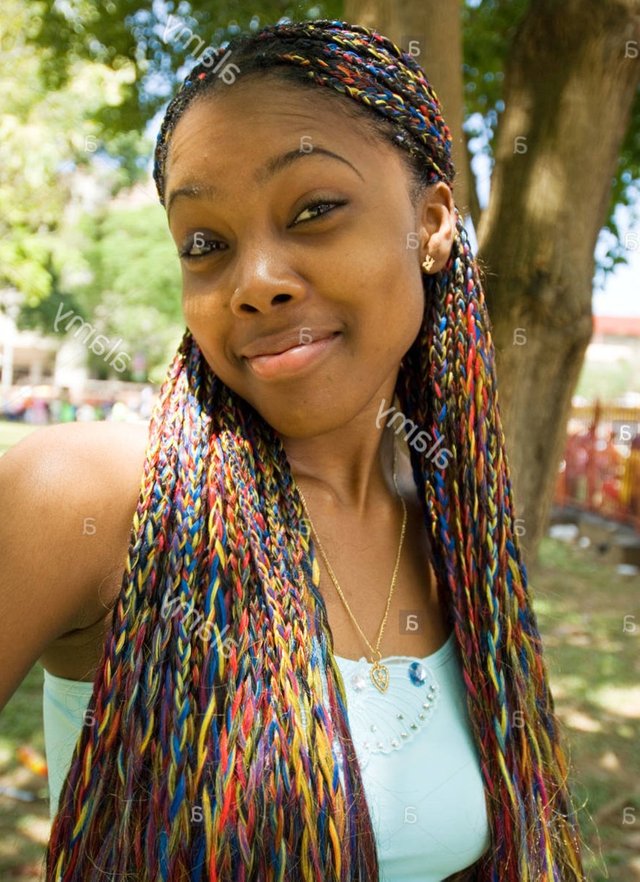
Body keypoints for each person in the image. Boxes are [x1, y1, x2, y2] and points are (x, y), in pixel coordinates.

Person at [0, 18, 587, 882]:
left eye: (314, 210)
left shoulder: (462, 540)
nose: (255, 281)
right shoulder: (91, 496)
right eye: (206, 244)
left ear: (431, 223)